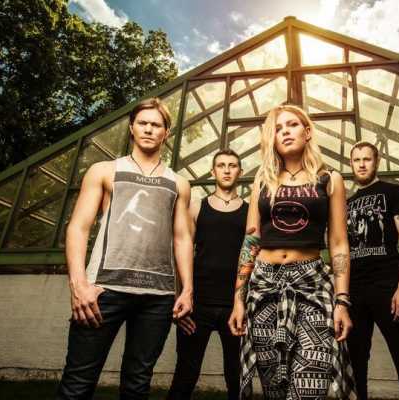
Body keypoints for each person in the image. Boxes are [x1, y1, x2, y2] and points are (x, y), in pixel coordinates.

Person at [57, 98, 194, 400]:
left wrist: (187, 290)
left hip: (157, 298)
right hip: (103, 291)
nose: (148, 129)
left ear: (166, 133)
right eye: (142, 123)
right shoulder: (104, 170)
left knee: (137, 385)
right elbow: (78, 227)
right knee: (77, 384)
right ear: (132, 128)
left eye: (156, 124)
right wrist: (79, 285)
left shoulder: (179, 183)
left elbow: (183, 238)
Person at [228, 104, 356, 399]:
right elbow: (251, 241)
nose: (285, 131)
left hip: (311, 284)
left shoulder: (329, 179)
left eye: (292, 125)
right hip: (264, 286)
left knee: (310, 384)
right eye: (278, 128)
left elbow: (338, 242)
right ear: (272, 139)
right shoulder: (262, 180)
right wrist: (238, 299)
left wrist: (342, 301)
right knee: (273, 387)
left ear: (307, 132)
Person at [167, 149, 248, 400]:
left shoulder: (250, 211)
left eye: (232, 165)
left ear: (240, 172)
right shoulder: (196, 207)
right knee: (185, 374)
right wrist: (179, 298)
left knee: (237, 377)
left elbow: (253, 259)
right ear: (213, 171)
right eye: (221, 165)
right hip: (198, 304)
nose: (227, 170)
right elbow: (181, 254)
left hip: (235, 305)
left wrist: (245, 302)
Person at [346, 141, 399, 400]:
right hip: (355, 290)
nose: (362, 164)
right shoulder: (347, 203)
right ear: (351, 164)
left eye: (367, 159)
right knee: (355, 359)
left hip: (388, 286)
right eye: (357, 160)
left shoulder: (393, 192)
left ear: (376, 161)